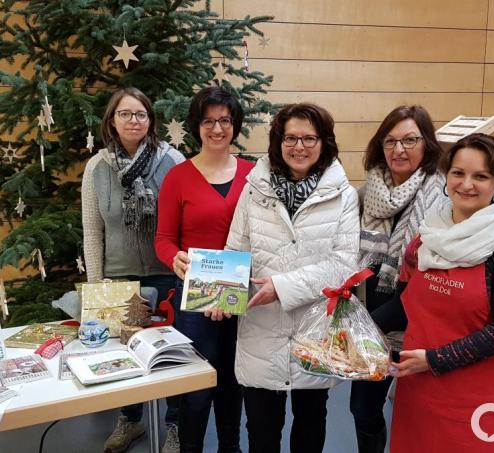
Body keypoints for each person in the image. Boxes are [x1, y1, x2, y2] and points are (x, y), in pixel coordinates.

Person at [224, 103, 360, 453]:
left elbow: (344, 265)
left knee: (310, 430)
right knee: (262, 434)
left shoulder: (342, 195)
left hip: (314, 333)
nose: (299, 147)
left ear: (324, 142)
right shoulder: (254, 188)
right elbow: (235, 250)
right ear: (278, 141)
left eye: (309, 138)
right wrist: (220, 293)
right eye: (291, 138)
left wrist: (281, 288)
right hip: (261, 330)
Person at [389, 133, 494, 452]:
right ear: (447, 176)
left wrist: (435, 359)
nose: (466, 184)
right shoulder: (424, 241)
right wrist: (347, 326)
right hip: (419, 395)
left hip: (480, 405)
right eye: (458, 173)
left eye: (480, 176)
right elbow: (401, 305)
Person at [81, 87, 184, 453]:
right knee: (125, 354)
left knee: (170, 355)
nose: (133, 121)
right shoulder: (96, 168)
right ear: (112, 120)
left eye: (140, 114)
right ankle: (131, 420)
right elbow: (93, 231)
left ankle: (175, 425)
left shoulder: (172, 161)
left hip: (167, 273)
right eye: (125, 114)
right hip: (119, 278)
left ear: (150, 120)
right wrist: (97, 288)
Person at [155, 86, 253, 453]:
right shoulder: (178, 177)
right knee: (195, 392)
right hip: (194, 300)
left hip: (241, 296)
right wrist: (173, 257)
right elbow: (163, 239)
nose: (217, 129)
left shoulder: (253, 174)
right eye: (209, 121)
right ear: (197, 126)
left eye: (224, 120)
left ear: (234, 125)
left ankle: (231, 447)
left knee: (233, 385)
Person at [350, 105, 445, 452]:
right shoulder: (365, 195)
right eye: (390, 141)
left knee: (418, 413)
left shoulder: (442, 198)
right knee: (362, 408)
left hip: (414, 318)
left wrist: (371, 325)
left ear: (427, 145)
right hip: (368, 315)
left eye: (409, 140)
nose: (399, 150)